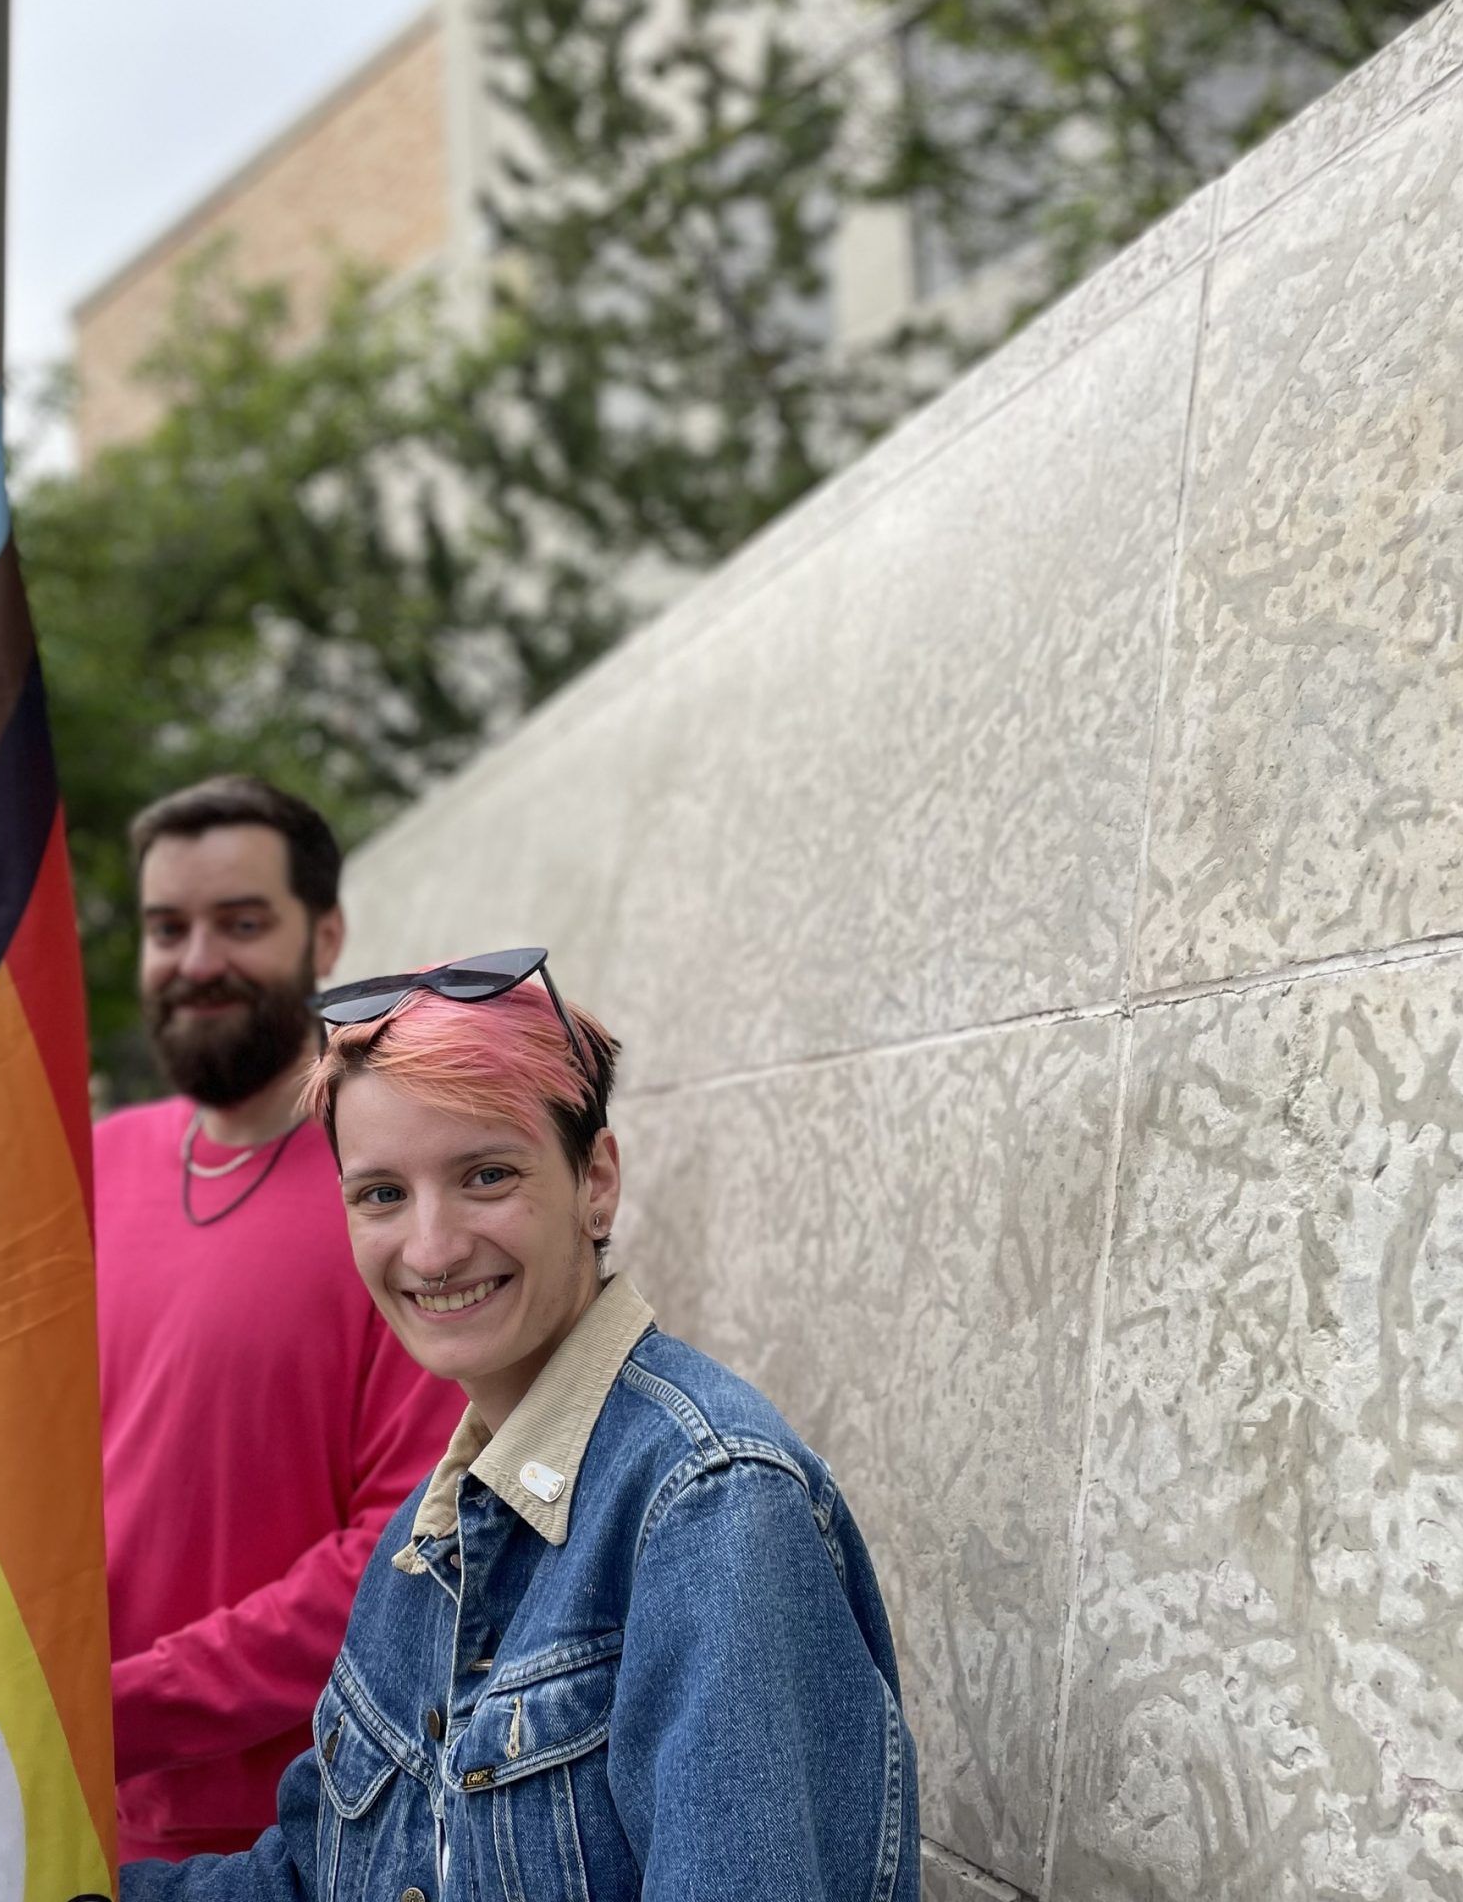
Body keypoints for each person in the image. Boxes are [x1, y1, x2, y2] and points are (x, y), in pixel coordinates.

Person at [121, 948, 920, 1901]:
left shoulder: (712, 1512)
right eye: (382, 1194)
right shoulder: (429, 1531)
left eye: (487, 1175)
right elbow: (310, 1877)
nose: (431, 1247)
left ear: (596, 1182)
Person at [98, 776, 463, 1862]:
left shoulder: (400, 1190)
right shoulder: (89, 1167)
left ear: (327, 933)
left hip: (302, 1836)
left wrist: (116, 1706)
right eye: (169, 928)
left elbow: (404, 1550)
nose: (197, 960)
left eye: (242, 923)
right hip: (63, 1808)